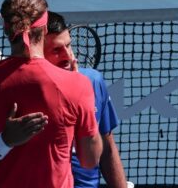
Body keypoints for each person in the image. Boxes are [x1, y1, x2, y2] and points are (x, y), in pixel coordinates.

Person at [0, 0, 102, 188]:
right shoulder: (78, 85)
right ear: (44, 30)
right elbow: (90, 159)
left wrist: (4, 142)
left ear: (7, 30)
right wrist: (84, 103)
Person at [44, 11, 127, 188]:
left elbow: (108, 149)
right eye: (56, 50)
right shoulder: (27, 92)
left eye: (69, 46)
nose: (68, 56)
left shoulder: (93, 81)